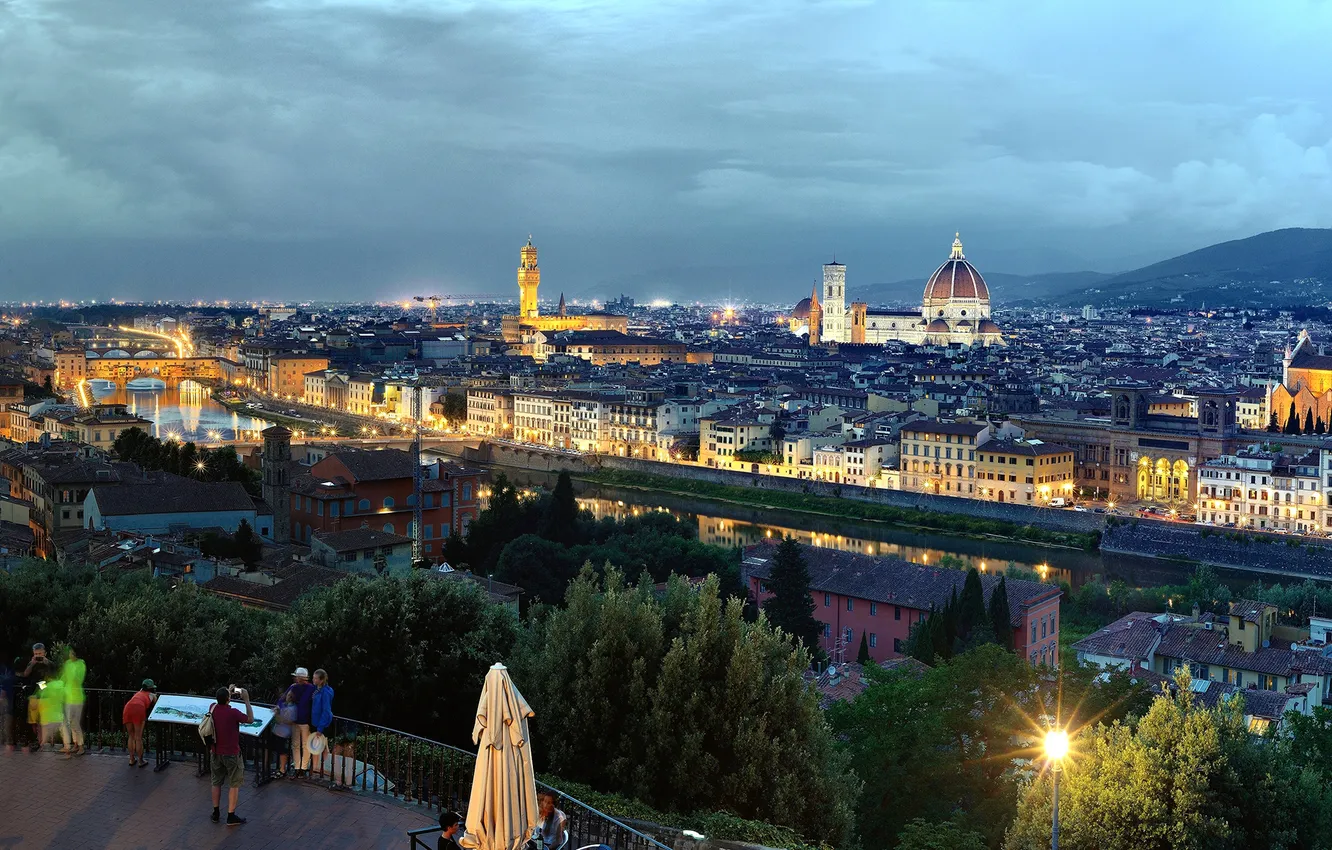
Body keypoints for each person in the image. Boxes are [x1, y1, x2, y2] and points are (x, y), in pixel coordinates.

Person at [208, 685, 253, 826]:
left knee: (216, 782)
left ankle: (216, 813)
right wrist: (246, 700)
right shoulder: (233, 713)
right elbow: (250, 719)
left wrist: (228, 693)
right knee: (234, 783)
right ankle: (231, 815)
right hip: (231, 753)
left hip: (215, 751)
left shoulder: (212, 708)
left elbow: (222, 703)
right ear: (228, 699)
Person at [283, 667, 315, 777]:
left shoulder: (295, 688)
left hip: (297, 719)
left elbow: (284, 699)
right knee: (304, 745)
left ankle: (298, 767)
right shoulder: (311, 688)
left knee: (297, 745)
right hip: (303, 720)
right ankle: (302, 767)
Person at [22, 644, 52, 750]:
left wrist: (46, 662)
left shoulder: (49, 663)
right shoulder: (32, 663)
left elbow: (55, 675)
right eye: (36, 654)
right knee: (33, 721)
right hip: (33, 696)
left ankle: (42, 742)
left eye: (40, 653)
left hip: (44, 696)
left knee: (43, 721)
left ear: (44, 653)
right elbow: (25, 674)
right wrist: (32, 664)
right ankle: (37, 741)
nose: (38, 655)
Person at [122, 679, 158, 767]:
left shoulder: (137, 693)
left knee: (131, 736)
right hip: (139, 709)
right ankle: (140, 761)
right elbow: (156, 704)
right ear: (151, 688)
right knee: (138, 737)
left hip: (128, 708)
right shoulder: (152, 695)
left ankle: (131, 759)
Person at [60, 646, 86, 756]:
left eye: (72, 653)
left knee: (75, 722)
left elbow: (79, 679)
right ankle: (75, 744)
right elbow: (64, 678)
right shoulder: (67, 664)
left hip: (77, 698)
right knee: (70, 722)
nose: (70, 655)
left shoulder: (81, 664)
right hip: (68, 698)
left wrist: (74, 673)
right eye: (70, 653)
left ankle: (81, 746)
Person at [309, 668, 335, 777]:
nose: (313, 680)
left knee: (320, 746)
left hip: (322, 723)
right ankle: (321, 768)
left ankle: (321, 768)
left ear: (321, 680)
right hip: (315, 722)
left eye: (315, 678)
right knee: (323, 746)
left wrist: (320, 728)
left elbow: (326, 711)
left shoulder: (326, 692)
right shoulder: (317, 689)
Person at [268, 689, 296, 778]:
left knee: (281, 750)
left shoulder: (293, 708)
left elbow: (286, 720)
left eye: (290, 696)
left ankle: (282, 769)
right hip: (277, 730)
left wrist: (277, 715)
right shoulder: (284, 705)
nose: (288, 697)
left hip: (283, 732)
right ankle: (270, 767)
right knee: (273, 748)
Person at [38, 674, 66, 753]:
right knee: (61, 729)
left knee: (46, 729)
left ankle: (42, 744)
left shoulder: (46, 686)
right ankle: (66, 745)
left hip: (49, 712)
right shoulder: (61, 684)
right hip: (58, 711)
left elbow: (41, 694)